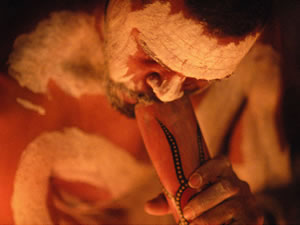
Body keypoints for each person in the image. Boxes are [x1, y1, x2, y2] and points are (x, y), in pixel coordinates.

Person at [0, 0, 297, 224]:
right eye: (152, 60)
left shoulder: (249, 47)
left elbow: (277, 192)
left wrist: (258, 214)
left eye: (203, 79)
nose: (169, 93)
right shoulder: (20, 105)